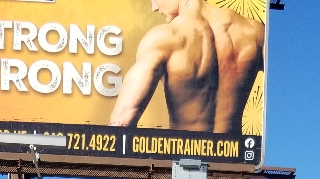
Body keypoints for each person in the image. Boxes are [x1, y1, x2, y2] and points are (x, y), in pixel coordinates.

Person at [109, 0, 264, 135]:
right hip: (235, 165)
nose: (154, 7)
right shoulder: (254, 32)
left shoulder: (165, 37)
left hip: (183, 162)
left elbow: (122, 122)